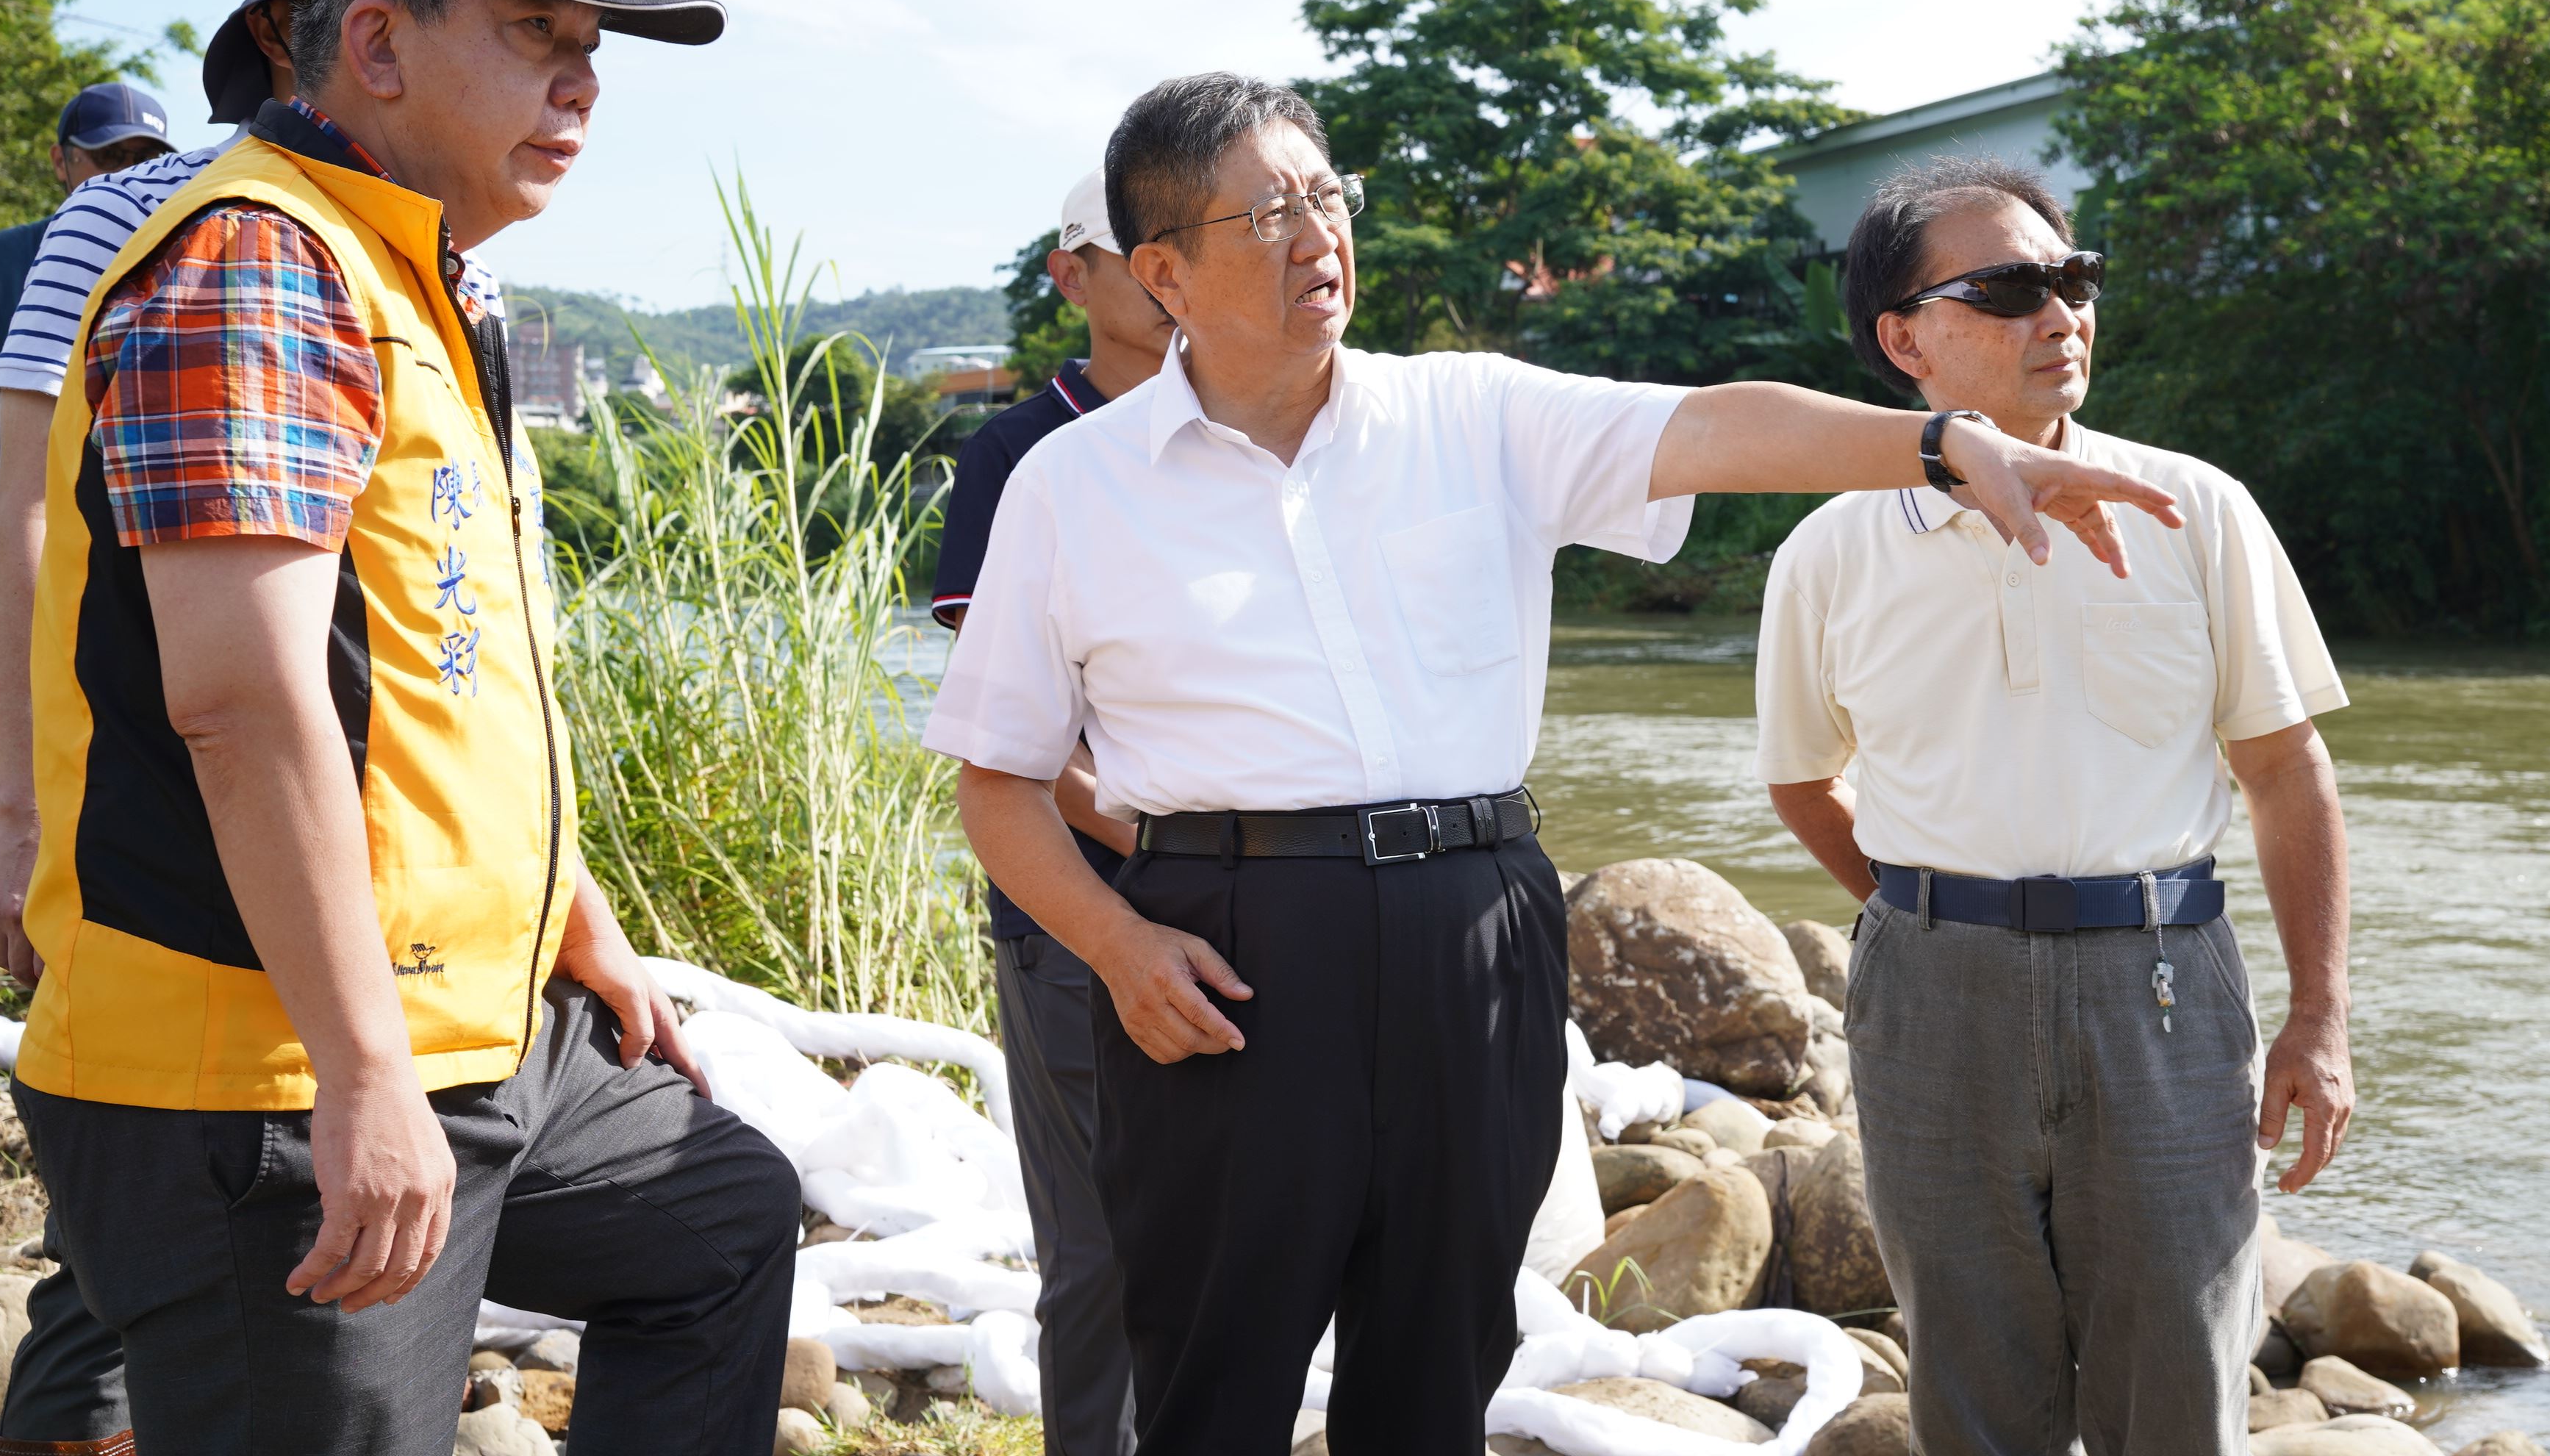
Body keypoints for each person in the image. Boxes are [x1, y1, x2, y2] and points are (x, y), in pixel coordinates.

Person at [923, 73, 2185, 1454]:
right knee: (1210, 1365)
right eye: (1267, 211)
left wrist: (1940, 441)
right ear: (1159, 267)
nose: (1315, 233)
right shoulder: (1073, 483)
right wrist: (1114, 942)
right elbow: (998, 776)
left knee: (1442, 1348)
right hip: (1230, 944)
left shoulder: (1474, 415)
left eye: (1326, 196)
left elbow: (1713, 424)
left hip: (1474, 923)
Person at [9, 0, 798, 1456]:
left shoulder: (420, 275)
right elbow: (244, 701)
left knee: (714, 1214)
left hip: (472, 1024)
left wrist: (574, 920)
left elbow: (444, 674)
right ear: (374, 45)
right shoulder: (260, 262)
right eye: (536, 39)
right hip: (272, 1066)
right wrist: (366, 1078)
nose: (580, 90)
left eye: (592, 57)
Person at [1752, 157, 2354, 1456]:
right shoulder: (1829, 551)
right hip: (1930, 1003)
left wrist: (2319, 1014)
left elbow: (2283, 767)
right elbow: (1803, 779)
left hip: (2163, 989)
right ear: (1902, 338)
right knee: (1974, 1388)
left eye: (2073, 279)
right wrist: (1920, 920)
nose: (2062, 312)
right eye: (2011, 287)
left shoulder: (2195, 509)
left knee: (2176, 1388)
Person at [928, 168, 1174, 1456]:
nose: (1162, 273)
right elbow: (1007, 732)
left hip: (1243, 884)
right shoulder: (1015, 451)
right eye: (1131, 251)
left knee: (1237, 1228)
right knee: (1101, 1244)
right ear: (1071, 275)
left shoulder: (1237, 428)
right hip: (1077, 898)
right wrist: (1163, 841)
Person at [0, 85, 176, 547]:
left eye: (148, 158)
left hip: (164, 551)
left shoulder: (193, 257)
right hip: (42, 555)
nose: (130, 174)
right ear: (61, 161)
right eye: (111, 156)